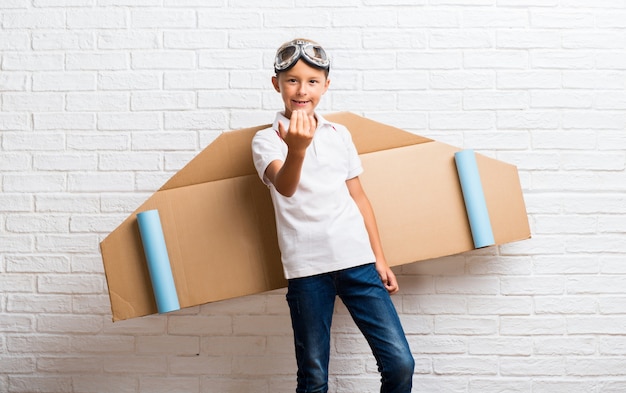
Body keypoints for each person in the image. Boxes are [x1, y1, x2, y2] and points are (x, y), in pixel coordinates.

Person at [251, 38, 415, 393]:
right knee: (314, 379)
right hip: (307, 271)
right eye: (292, 80)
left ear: (326, 85)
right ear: (276, 84)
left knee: (400, 364)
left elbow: (359, 197)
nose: (302, 89)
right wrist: (297, 149)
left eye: (312, 81)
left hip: (357, 261)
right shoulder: (266, 140)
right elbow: (285, 186)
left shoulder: (340, 134)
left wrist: (380, 258)